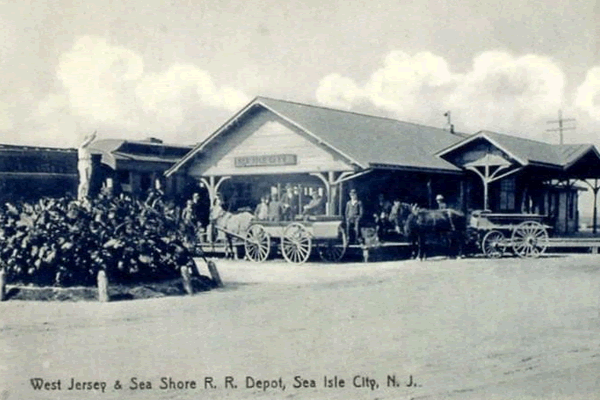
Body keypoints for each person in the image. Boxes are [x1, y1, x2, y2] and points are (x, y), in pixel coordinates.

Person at [77, 130, 97, 201]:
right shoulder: (82, 146)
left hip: (88, 162)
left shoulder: (88, 148)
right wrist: (92, 136)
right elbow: (88, 141)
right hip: (82, 162)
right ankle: (79, 196)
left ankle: (85, 195)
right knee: (84, 181)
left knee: (88, 181)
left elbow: (89, 141)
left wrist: (92, 137)